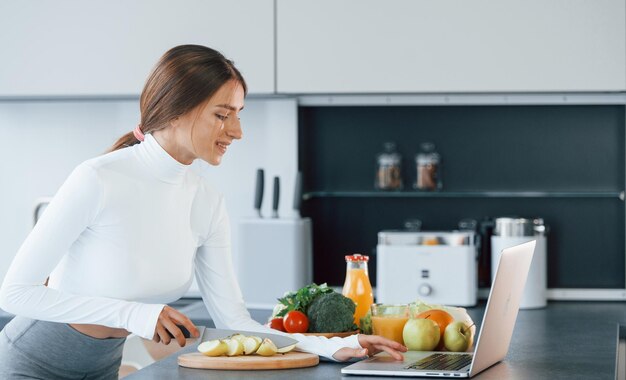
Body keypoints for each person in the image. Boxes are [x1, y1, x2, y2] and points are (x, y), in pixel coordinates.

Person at [0, 45, 406, 379]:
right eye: (221, 115)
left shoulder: (206, 201)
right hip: (27, 364)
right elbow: (14, 293)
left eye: (238, 115)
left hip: (100, 370)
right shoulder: (97, 178)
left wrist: (336, 346)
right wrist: (135, 314)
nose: (237, 132)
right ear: (175, 111)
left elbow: (234, 320)